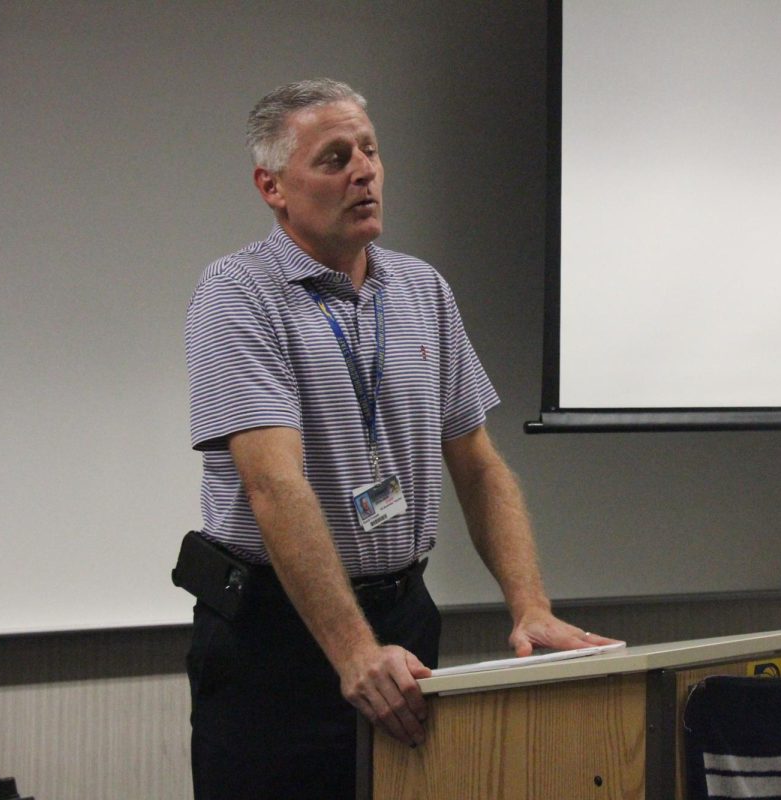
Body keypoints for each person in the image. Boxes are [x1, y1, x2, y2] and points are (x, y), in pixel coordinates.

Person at [183, 78, 617, 799]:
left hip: (404, 616)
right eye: (333, 158)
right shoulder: (238, 293)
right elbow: (272, 484)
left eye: (370, 152)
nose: (363, 171)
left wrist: (529, 605)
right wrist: (352, 653)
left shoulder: (421, 291)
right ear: (273, 187)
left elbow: (478, 465)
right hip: (276, 634)